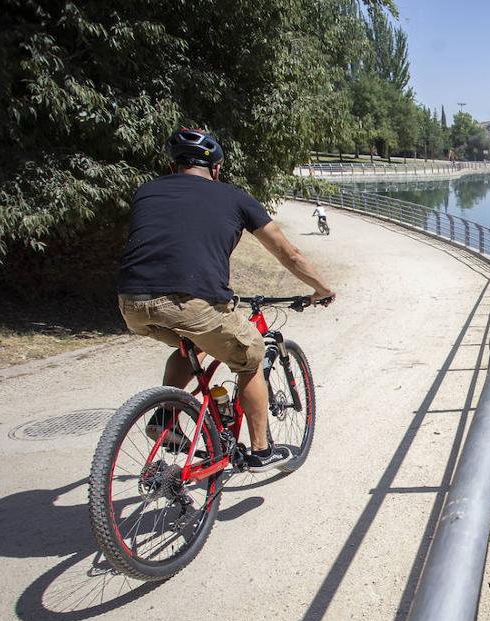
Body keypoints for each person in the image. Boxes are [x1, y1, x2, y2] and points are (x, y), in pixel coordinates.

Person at [117, 128, 336, 471]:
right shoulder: (234, 197)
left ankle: (165, 418)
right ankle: (262, 451)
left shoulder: (147, 191)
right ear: (216, 168)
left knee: (191, 345)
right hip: (191, 302)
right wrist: (322, 289)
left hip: (132, 302)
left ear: (173, 166)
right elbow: (288, 254)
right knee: (251, 354)